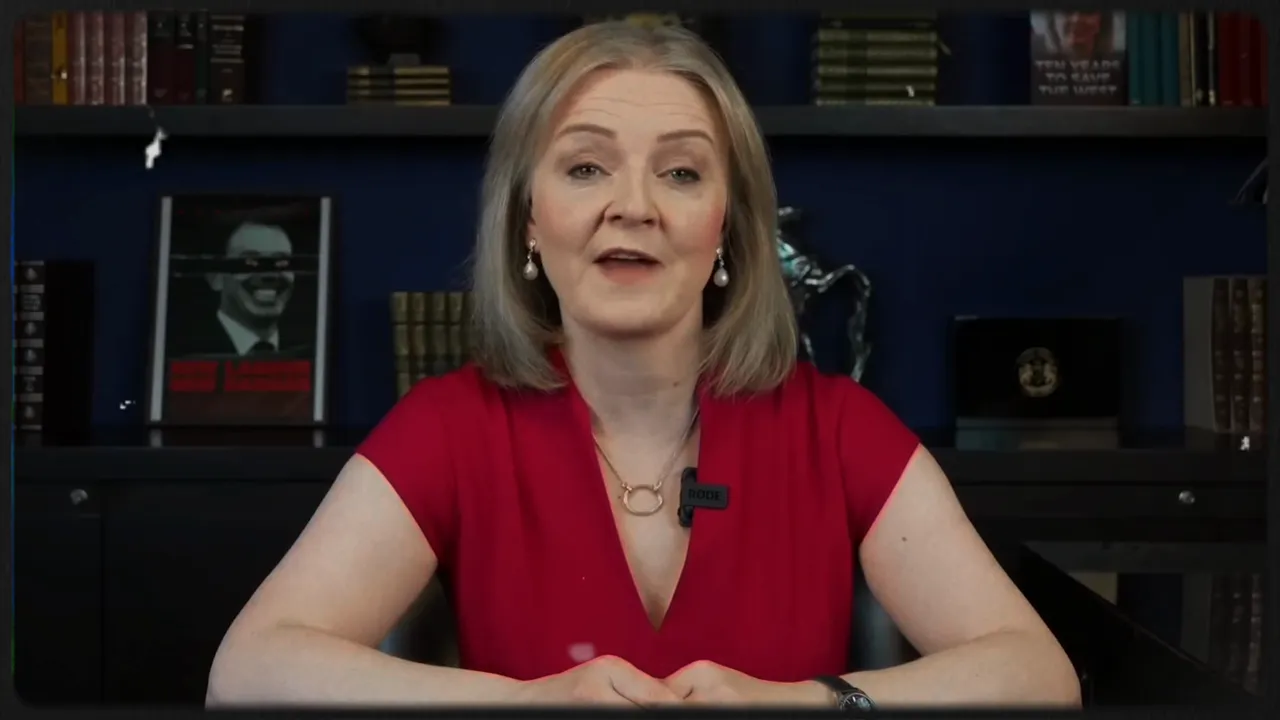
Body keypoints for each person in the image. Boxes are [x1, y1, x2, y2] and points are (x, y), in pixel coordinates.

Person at [206, 21, 1081, 708]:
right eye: (586, 167)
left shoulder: (838, 428)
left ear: (730, 230)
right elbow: (249, 668)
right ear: (528, 223)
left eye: (681, 173)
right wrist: (528, 704)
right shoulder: (450, 427)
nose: (633, 207)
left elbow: (1038, 673)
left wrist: (809, 702)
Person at [168, 220, 301, 358]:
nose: (269, 275)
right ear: (215, 276)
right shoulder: (181, 352)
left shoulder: (310, 351)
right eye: (249, 262)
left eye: (282, 262)